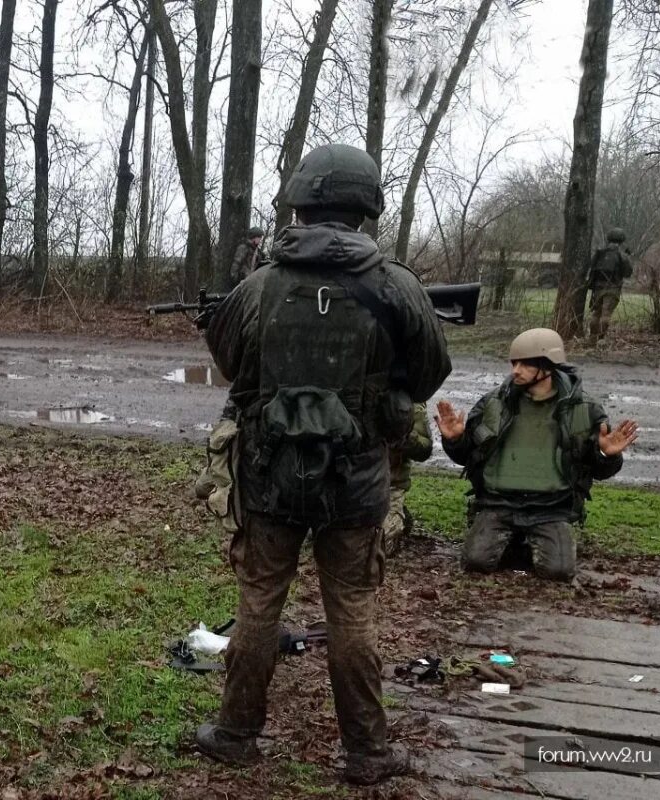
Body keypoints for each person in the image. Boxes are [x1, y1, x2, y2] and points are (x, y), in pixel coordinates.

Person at [195, 144, 452, 785]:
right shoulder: (396, 287)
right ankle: (366, 754)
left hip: (269, 472)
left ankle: (235, 735)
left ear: (301, 204)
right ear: (365, 211)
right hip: (357, 480)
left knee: (259, 605)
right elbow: (427, 376)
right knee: (353, 611)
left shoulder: (259, 286)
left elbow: (233, 368)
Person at [435, 328, 638, 581]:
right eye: (514, 363)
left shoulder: (583, 410)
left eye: (525, 364)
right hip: (499, 502)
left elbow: (597, 470)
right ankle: (513, 538)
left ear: (548, 366)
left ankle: (531, 541)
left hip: (551, 507)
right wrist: (454, 439)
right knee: (475, 562)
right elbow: (468, 456)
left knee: (559, 572)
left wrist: (606, 455)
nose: (515, 370)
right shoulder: (493, 404)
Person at [382, 403, 432, 556]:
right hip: (349, 484)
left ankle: (397, 515)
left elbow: (424, 449)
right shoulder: (347, 389)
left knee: (380, 547)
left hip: (389, 485)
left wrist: (403, 432)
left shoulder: (407, 401)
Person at [587, 227, 634, 342]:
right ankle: (601, 339)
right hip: (612, 289)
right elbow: (627, 273)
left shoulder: (599, 253)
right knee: (606, 314)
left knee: (596, 314)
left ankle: (592, 338)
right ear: (622, 240)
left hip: (597, 288)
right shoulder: (621, 255)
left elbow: (592, 269)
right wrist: (628, 257)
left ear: (609, 239)